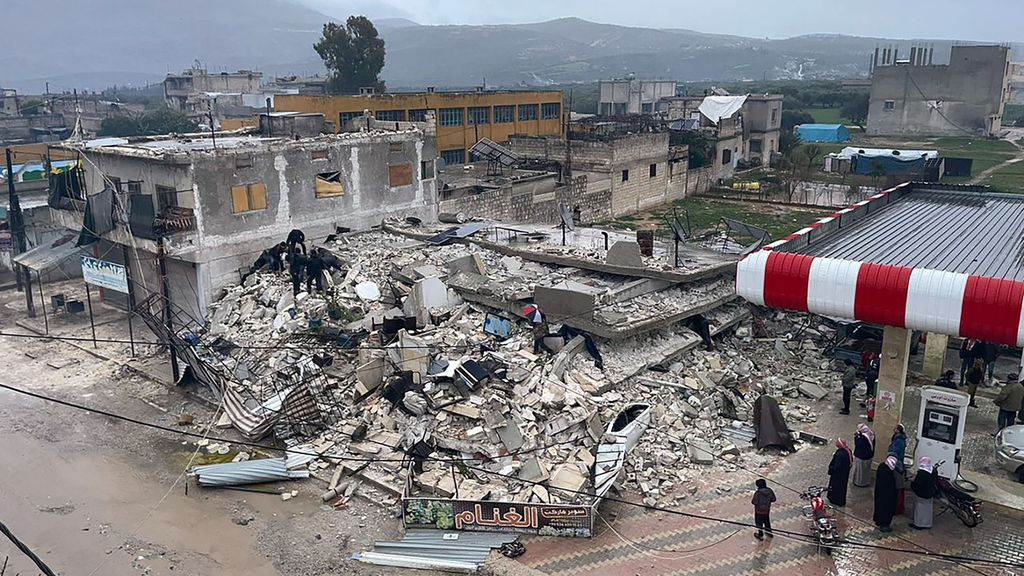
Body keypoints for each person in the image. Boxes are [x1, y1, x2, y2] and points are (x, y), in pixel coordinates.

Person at [910, 456, 938, 530]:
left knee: (919, 509)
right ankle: (927, 523)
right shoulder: (933, 470)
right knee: (927, 509)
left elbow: (918, 484)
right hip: (930, 493)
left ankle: (918, 524)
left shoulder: (922, 473)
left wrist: (913, 485)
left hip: (921, 494)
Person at [873, 455, 899, 532]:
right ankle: (884, 525)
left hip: (879, 493)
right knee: (886, 510)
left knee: (879, 507)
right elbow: (890, 485)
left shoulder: (882, 466)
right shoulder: (888, 471)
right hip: (887, 496)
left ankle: (878, 521)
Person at [827, 438, 853, 506]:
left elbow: (837, 466)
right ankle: (841, 500)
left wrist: (832, 468)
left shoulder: (840, 454)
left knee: (836, 487)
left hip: (838, 475)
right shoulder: (847, 451)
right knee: (842, 487)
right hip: (844, 473)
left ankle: (835, 500)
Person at [852, 423, 875, 487]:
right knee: (866, 471)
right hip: (869, 456)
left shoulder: (863, 438)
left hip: (861, 456)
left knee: (860, 471)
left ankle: (859, 483)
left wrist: (856, 437)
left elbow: (858, 445)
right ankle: (866, 482)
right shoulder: (871, 434)